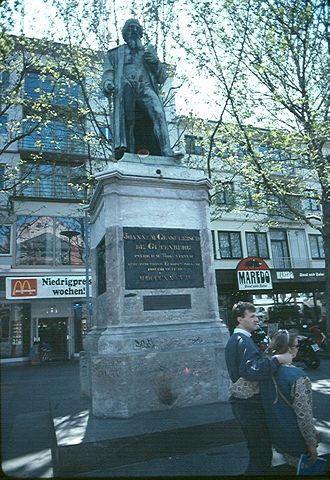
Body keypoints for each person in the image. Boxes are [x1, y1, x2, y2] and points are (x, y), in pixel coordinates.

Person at [225, 301, 293, 475]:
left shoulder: (238, 339)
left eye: (257, 315)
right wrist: (278, 359)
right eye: (252, 316)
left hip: (244, 405)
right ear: (240, 319)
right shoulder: (243, 340)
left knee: (258, 452)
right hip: (250, 406)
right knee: (261, 455)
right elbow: (251, 370)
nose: (257, 319)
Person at [102, 18, 173, 160]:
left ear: (140, 33)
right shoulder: (115, 54)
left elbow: (162, 77)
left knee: (158, 113)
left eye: (136, 28)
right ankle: (129, 152)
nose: (133, 31)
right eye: (130, 28)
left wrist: (155, 63)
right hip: (126, 87)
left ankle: (166, 150)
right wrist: (108, 82)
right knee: (129, 122)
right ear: (125, 34)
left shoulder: (148, 52)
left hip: (145, 87)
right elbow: (108, 72)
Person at [260, 329, 319, 469]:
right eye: (297, 345)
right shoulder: (297, 376)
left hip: (277, 436)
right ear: (290, 349)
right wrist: (311, 443)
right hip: (296, 439)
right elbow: (304, 415)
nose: (298, 349)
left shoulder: (265, 372)